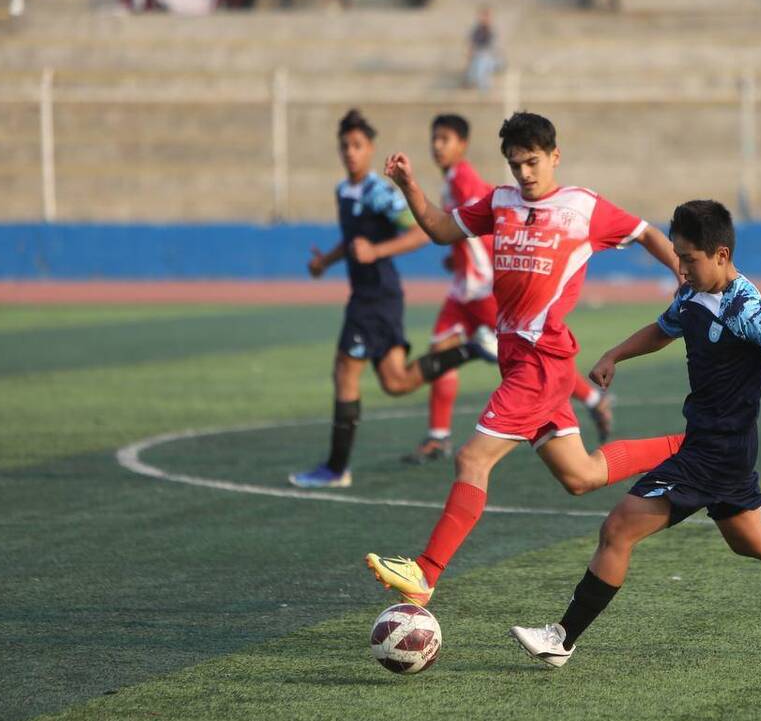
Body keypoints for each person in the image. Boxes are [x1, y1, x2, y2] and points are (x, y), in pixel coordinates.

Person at [509, 200, 761, 667]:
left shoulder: (750, 309)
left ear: (721, 254)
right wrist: (614, 355)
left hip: (715, 452)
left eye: (688, 259)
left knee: (618, 528)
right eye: (678, 257)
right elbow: (665, 329)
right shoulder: (691, 295)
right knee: (752, 540)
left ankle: (562, 638)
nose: (680, 268)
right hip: (717, 446)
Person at [366, 111, 684, 606]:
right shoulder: (499, 202)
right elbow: (437, 229)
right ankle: (688, 445)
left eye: (533, 163)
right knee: (580, 476)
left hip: (541, 361)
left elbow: (644, 230)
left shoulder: (582, 207)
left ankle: (426, 573)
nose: (526, 174)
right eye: (516, 165)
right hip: (516, 359)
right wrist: (409, 184)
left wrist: (680, 274)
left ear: (555, 156)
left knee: (472, 458)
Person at [289, 108, 496, 489]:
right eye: (345, 146)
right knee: (396, 382)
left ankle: (336, 468)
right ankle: (472, 349)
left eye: (358, 145)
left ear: (370, 150)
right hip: (372, 296)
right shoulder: (343, 191)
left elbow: (421, 233)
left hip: (376, 296)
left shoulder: (379, 192)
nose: (350, 152)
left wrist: (378, 252)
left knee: (345, 371)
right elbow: (354, 241)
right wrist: (327, 262)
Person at [403, 114, 614, 465]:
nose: (437, 146)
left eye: (445, 139)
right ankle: (438, 436)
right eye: (434, 139)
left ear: (462, 144)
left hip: (485, 287)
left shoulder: (466, 179)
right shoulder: (453, 179)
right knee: (442, 351)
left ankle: (592, 399)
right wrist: (457, 259)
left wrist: (483, 260)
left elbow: (487, 223)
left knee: (531, 352)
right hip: (463, 289)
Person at [463, 6, 499, 92]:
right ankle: (480, 86)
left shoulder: (492, 30)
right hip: (479, 56)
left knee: (482, 63)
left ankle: (483, 88)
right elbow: (471, 45)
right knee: (479, 63)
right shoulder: (476, 30)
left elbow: (495, 49)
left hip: (491, 58)